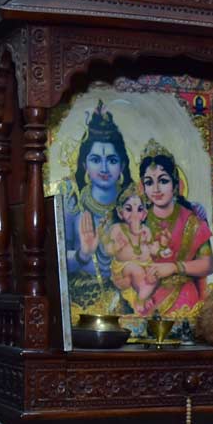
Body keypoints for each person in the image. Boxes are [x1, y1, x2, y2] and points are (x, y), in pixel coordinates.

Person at [61, 99, 134, 313]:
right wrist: (83, 254)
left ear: (122, 166)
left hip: (128, 296)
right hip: (82, 298)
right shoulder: (73, 205)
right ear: (84, 165)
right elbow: (54, 261)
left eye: (111, 160)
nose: (103, 168)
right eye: (95, 159)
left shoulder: (133, 206)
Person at [134, 140, 213, 320]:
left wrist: (173, 267)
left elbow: (208, 264)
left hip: (184, 300)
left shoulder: (191, 220)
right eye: (149, 182)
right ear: (142, 187)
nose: (156, 189)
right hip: (145, 297)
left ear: (176, 184)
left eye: (163, 181)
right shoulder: (138, 220)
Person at [103, 184, 161, 309]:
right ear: (120, 212)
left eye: (139, 210)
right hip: (125, 270)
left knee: (157, 272)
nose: (134, 214)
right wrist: (115, 246)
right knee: (135, 269)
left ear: (144, 214)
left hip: (146, 267)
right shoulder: (117, 229)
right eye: (129, 209)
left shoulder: (146, 230)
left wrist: (154, 250)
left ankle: (146, 291)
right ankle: (141, 298)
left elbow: (152, 249)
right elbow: (107, 250)